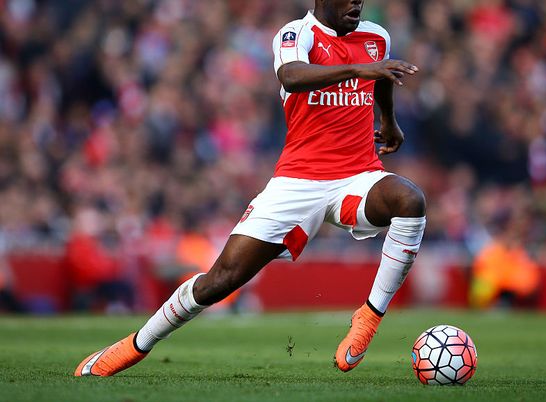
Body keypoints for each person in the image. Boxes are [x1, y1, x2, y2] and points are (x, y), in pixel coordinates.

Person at [74, 0, 426, 377]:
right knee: (221, 279)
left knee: (410, 200)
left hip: (358, 175)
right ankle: (134, 345)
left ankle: (368, 319)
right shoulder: (296, 34)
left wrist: (388, 122)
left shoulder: (376, 37)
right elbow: (291, 76)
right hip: (298, 182)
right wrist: (359, 68)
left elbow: (382, 78)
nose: (357, 2)